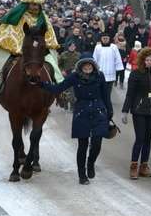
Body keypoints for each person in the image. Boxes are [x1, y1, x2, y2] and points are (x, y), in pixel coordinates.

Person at [39, 53, 112, 184]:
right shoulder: (74, 77)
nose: (88, 67)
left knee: (97, 143)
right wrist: (42, 84)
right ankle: (82, 175)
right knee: (82, 145)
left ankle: (91, 163)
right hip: (82, 111)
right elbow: (58, 88)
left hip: (98, 111)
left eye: (90, 65)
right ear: (81, 66)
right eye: (85, 65)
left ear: (93, 66)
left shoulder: (100, 76)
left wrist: (109, 111)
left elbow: (106, 95)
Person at [0, 0, 62, 110]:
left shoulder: (44, 19)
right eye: (33, 4)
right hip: (13, 50)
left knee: (55, 69)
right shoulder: (16, 16)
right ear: (26, 4)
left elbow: (48, 36)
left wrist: (42, 48)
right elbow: (8, 34)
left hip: (38, 52)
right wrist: (15, 48)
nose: (35, 7)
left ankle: (60, 93)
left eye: (37, 5)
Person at [122, 47, 151, 179]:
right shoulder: (135, 74)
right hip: (139, 110)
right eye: (147, 60)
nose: (149, 62)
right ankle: (134, 166)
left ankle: (144, 166)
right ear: (142, 60)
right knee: (140, 138)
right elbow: (130, 94)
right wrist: (125, 111)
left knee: (148, 139)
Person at [92, 33, 124, 98]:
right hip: (100, 72)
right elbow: (94, 59)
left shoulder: (114, 47)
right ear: (101, 39)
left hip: (110, 72)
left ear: (109, 39)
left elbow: (117, 58)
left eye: (106, 38)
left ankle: (107, 102)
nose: (105, 40)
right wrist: (94, 69)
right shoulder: (98, 47)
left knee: (108, 92)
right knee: (100, 90)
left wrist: (119, 68)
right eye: (104, 38)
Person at [57, 39, 81, 111]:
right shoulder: (63, 54)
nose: (72, 47)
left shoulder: (78, 55)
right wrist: (62, 70)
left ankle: (72, 105)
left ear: (75, 47)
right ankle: (65, 103)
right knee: (66, 90)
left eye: (73, 46)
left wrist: (77, 70)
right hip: (66, 74)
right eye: (71, 46)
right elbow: (59, 64)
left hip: (75, 74)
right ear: (68, 47)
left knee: (73, 90)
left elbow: (80, 64)